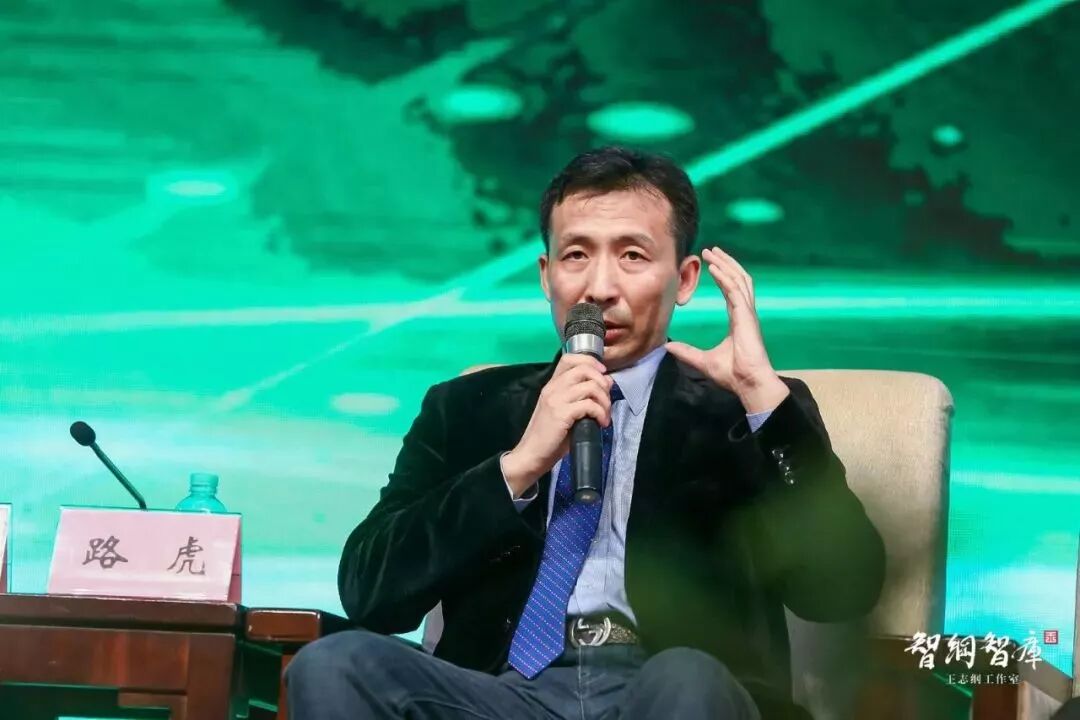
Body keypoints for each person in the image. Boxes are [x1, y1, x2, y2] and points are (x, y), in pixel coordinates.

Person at [286, 146, 886, 719]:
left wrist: (760, 394)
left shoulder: (744, 412)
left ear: (684, 280)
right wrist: (517, 466)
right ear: (547, 275)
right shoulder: (466, 408)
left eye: (632, 256)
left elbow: (841, 590)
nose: (600, 288)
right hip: (501, 695)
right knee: (336, 664)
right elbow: (370, 594)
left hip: (669, 691)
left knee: (684, 676)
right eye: (576, 256)